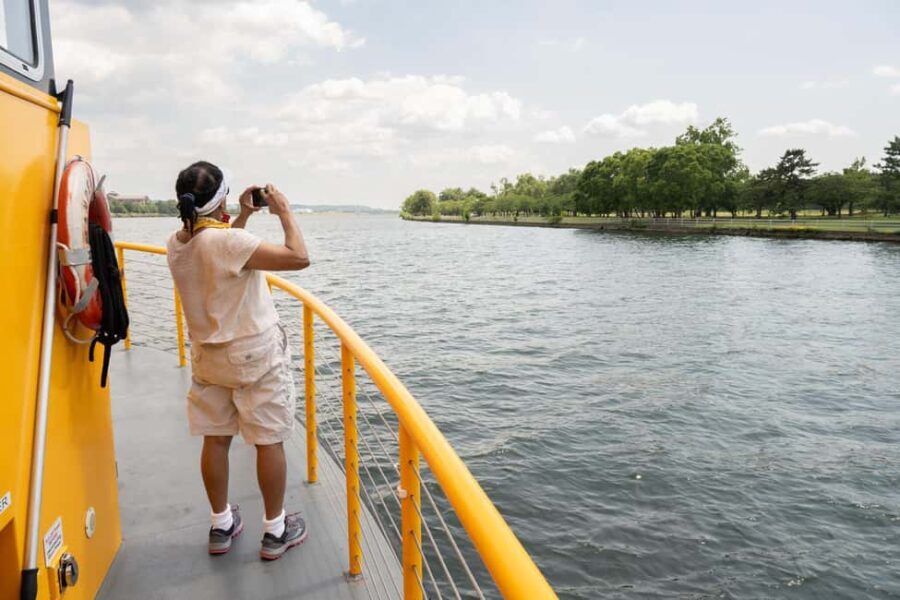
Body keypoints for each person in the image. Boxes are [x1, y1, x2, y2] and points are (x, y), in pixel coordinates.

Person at [166, 160, 310, 560]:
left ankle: (221, 523)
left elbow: (225, 256)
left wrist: (244, 214)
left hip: (210, 359)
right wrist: (284, 213)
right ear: (220, 197)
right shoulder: (226, 243)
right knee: (268, 440)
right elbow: (299, 257)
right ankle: (276, 529)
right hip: (253, 357)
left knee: (216, 438)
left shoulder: (178, 243)